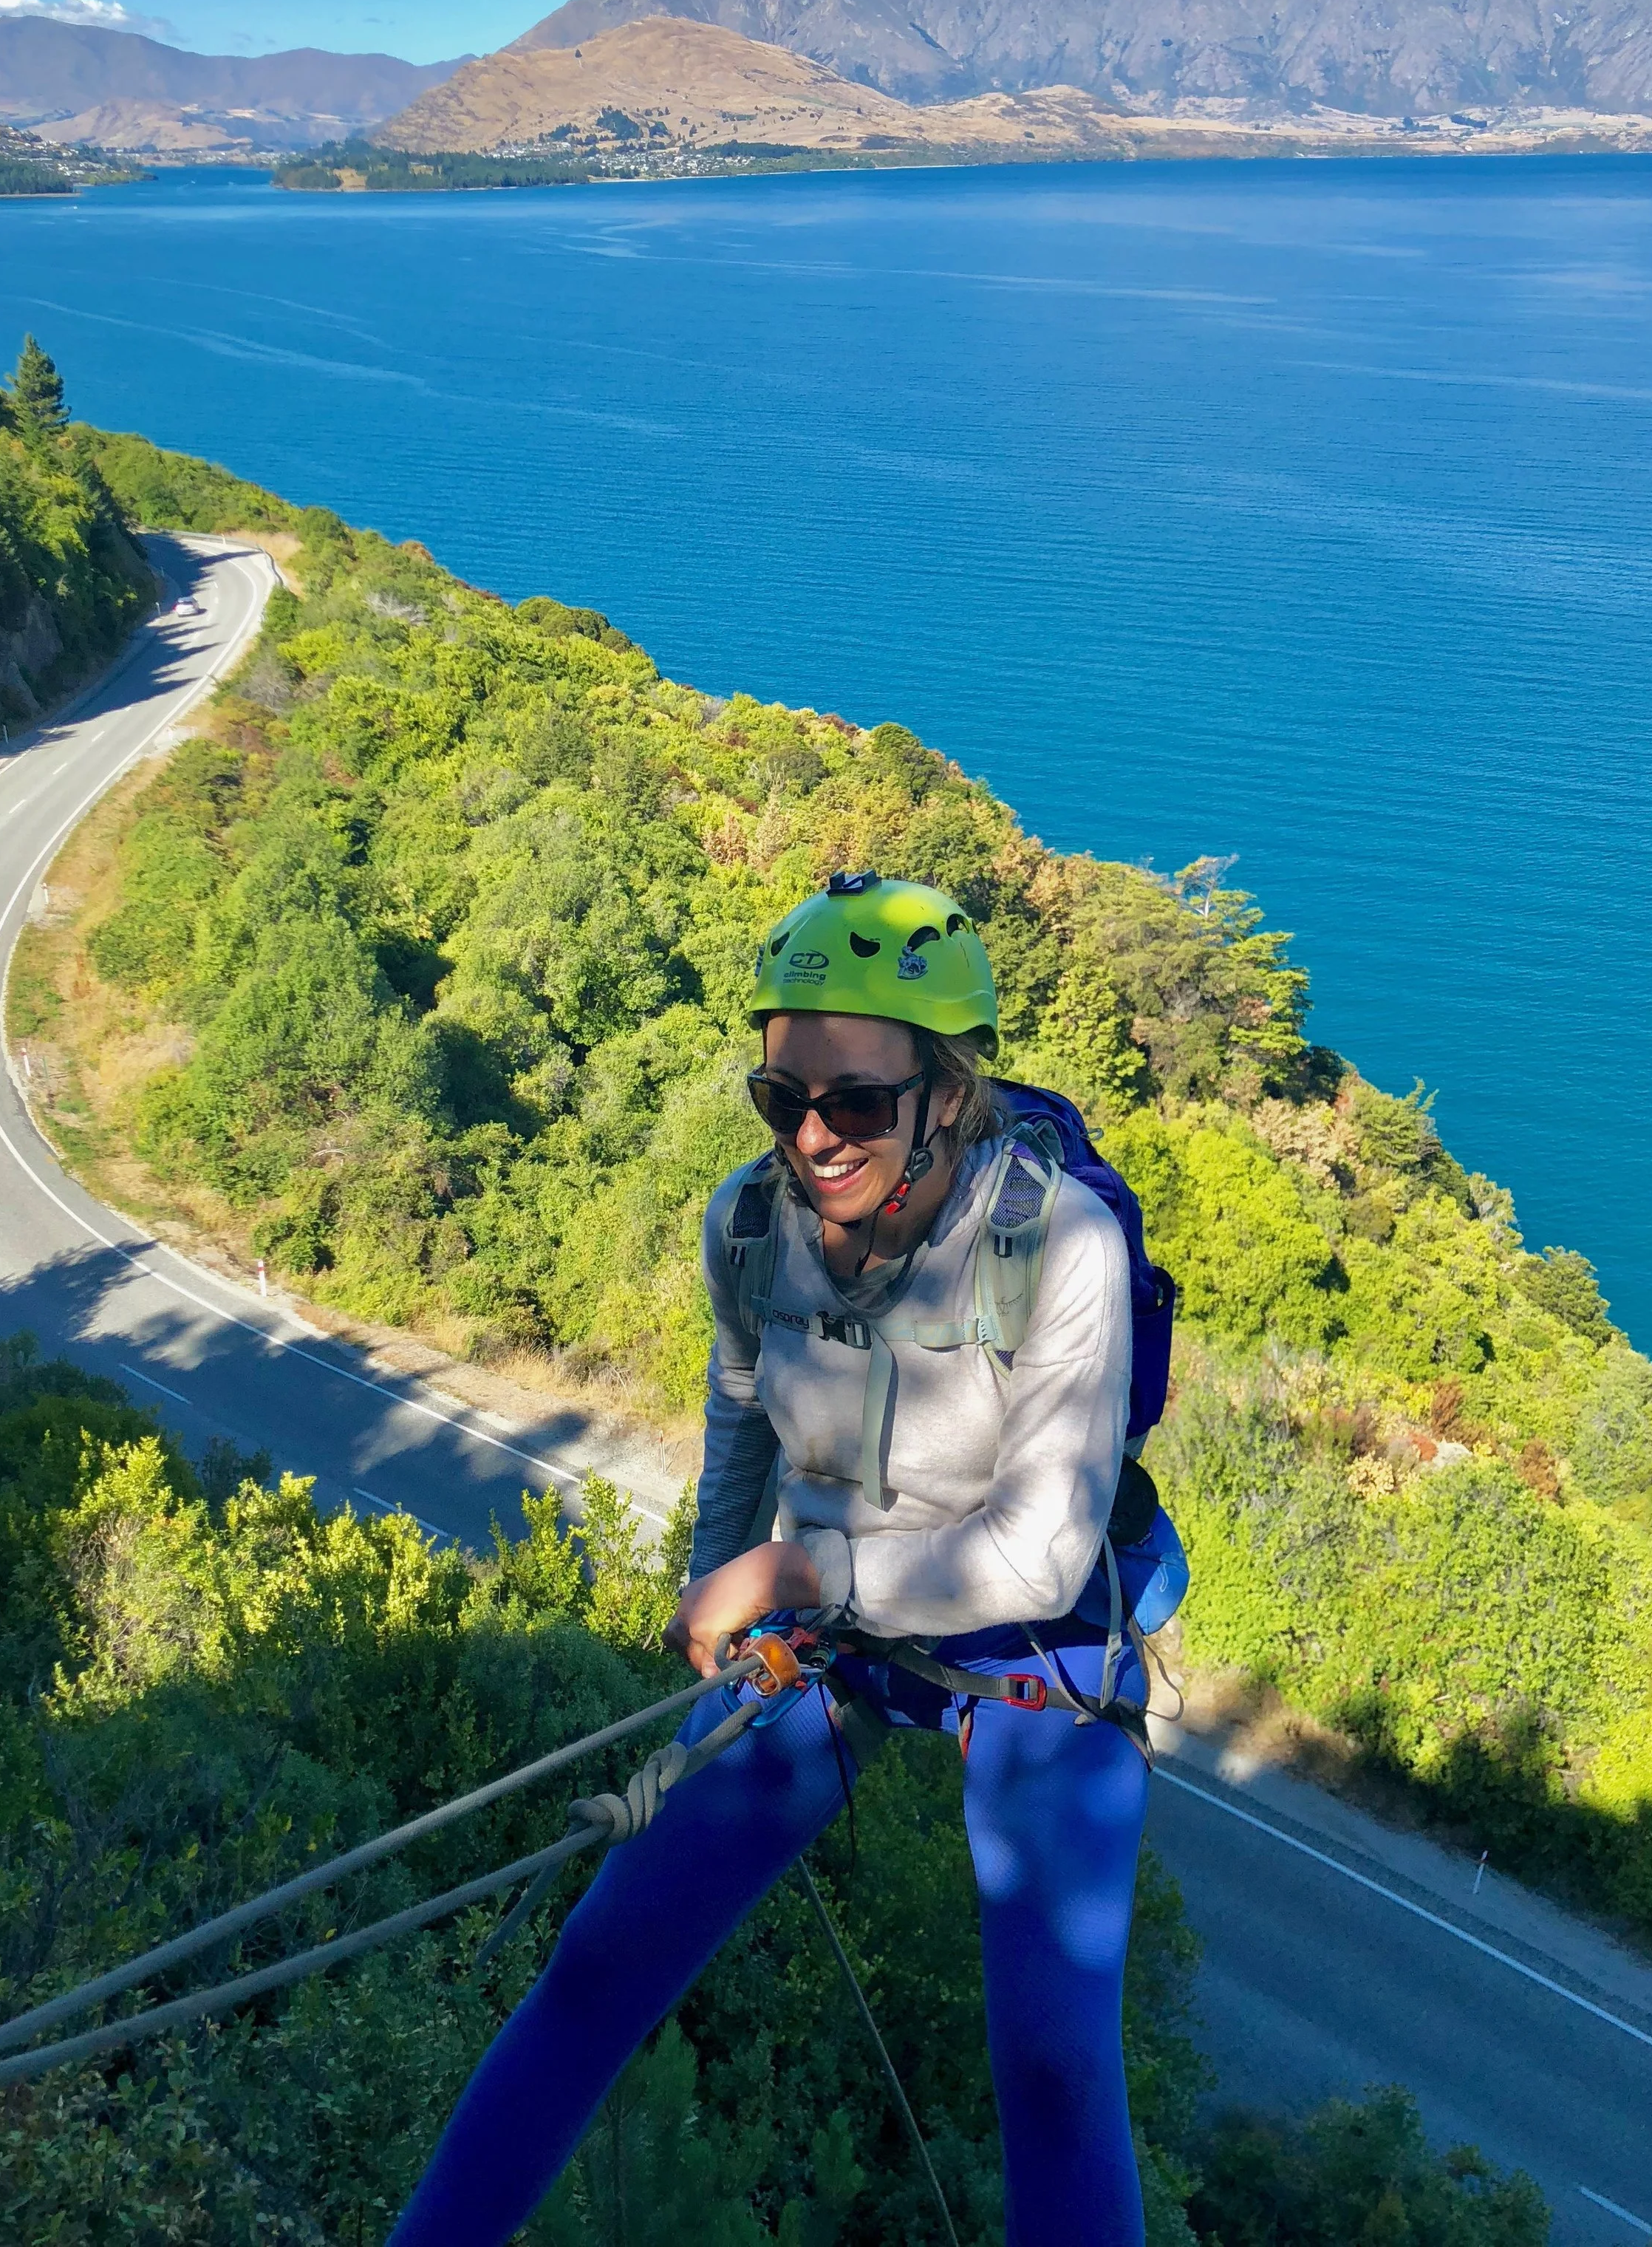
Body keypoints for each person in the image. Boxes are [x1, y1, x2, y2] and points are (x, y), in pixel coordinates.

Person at [390, 873, 1152, 2247]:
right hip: (832, 1630)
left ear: (947, 1090)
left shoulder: (1061, 1246)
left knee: (1050, 2067)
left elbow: (1042, 1552)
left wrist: (796, 1580)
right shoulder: (751, 1226)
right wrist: (715, 1584)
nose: (814, 1135)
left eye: (856, 1101)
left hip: (1030, 1648)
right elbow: (740, 1414)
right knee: (602, 1960)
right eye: (781, 1098)